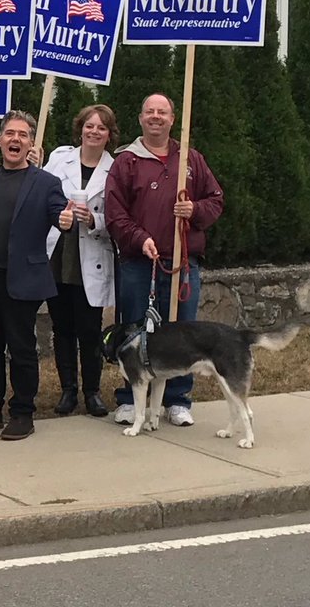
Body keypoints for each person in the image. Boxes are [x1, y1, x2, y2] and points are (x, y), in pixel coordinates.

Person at [104, 92, 224, 427]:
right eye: (150, 111)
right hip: (140, 263)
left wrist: (195, 210)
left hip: (182, 264)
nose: (156, 117)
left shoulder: (190, 159)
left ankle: (178, 399)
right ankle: (131, 398)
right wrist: (140, 239)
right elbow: (115, 214)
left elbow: (215, 200)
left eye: (163, 112)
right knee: (136, 333)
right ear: (141, 118)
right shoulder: (126, 161)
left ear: (172, 119)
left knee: (183, 333)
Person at [0, 110, 70, 441]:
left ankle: (23, 412)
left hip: (22, 279)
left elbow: (61, 216)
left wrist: (67, 220)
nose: (15, 139)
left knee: (21, 349)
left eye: (23, 135)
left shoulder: (46, 183)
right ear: (0, 140)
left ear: (30, 144)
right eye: (10, 133)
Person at [43, 104, 118, 418]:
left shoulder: (116, 168)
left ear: (109, 134)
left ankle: (92, 392)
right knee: (62, 328)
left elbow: (118, 216)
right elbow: (41, 194)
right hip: (59, 253)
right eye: (90, 126)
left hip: (91, 255)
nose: (94, 132)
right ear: (81, 128)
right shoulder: (60, 159)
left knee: (89, 328)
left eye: (101, 128)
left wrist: (93, 220)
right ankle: (68, 391)